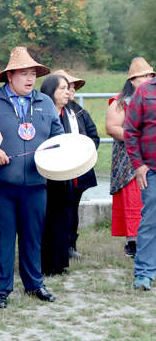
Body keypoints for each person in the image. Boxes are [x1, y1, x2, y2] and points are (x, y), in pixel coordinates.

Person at [0, 46, 63, 309]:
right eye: (23, 74)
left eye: (33, 74)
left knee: (33, 237)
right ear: (10, 76)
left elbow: (58, 137)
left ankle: (35, 284)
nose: (30, 79)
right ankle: (0, 288)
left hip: (36, 185)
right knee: (1, 238)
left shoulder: (45, 103)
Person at [106, 57, 154, 258]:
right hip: (128, 158)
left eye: (148, 76)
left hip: (151, 156)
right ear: (131, 81)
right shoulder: (120, 102)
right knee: (131, 198)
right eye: (140, 77)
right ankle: (132, 242)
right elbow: (112, 127)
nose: (144, 79)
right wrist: (136, 137)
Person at [52, 70, 99, 259]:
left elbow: (93, 136)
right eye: (65, 87)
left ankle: (70, 244)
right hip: (57, 169)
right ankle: (55, 246)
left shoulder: (79, 112)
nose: (70, 91)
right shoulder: (51, 111)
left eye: (71, 87)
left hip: (79, 170)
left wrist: (83, 154)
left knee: (73, 207)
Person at [124, 59, 156, 290]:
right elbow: (130, 130)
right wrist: (138, 164)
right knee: (151, 221)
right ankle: (144, 273)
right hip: (151, 169)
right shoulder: (145, 92)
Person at [40, 75, 74, 275]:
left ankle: (61, 263)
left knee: (63, 216)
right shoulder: (43, 112)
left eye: (67, 89)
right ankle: (46, 264)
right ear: (50, 91)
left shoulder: (71, 114)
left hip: (65, 171)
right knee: (47, 218)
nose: (67, 92)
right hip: (46, 172)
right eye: (62, 89)